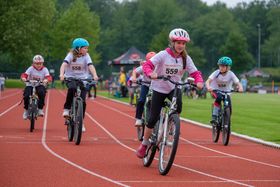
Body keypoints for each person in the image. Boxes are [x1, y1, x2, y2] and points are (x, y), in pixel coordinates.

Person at [136, 28, 204, 158]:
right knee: (152, 118)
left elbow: (195, 73)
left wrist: (199, 81)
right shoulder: (163, 54)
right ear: (172, 43)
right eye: (178, 43)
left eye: (183, 44)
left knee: (178, 106)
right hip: (159, 88)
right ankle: (144, 144)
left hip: (174, 87)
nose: (181, 46)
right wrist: (151, 73)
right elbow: (147, 65)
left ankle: (172, 124)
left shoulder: (186, 58)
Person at [59, 38, 98, 132]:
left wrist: (94, 75)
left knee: (83, 102)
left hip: (83, 79)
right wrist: (61, 74)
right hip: (70, 78)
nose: (87, 50)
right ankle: (67, 109)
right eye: (85, 48)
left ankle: (81, 122)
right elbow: (64, 65)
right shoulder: (71, 55)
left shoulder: (86, 56)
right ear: (78, 48)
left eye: (87, 48)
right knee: (72, 88)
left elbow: (90, 65)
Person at [205, 56, 243, 124]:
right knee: (219, 98)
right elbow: (208, 81)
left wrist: (240, 87)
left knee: (229, 107)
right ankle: (214, 116)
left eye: (223, 66)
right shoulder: (216, 73)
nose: (221, 68)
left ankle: (227, 124)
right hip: (216, 90)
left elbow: (238, 82)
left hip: (227, 92)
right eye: (220, 66)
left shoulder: (231, 74)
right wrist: (208, 87)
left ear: (228, 67)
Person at [21, 55, 52, 120]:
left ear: (42, 63)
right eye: (37, 63)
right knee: (26, 95)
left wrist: (46, 80)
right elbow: (25, 74)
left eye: (40, 63)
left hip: (39, 84)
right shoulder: (30, 68)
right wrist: (24, 78)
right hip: (30, 84)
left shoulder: (45, 69)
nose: (39, 65)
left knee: (42, 93)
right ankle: (26, 110)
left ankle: (40, 109)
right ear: (33, 63)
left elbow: (48, 77)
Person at [132, 51, 156, 126]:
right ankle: (138, 118)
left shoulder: (160, 66)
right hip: (145, 85)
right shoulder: (144, 66)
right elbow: (135, 71)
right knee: (141, 100)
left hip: (156, 86)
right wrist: (134, 77)